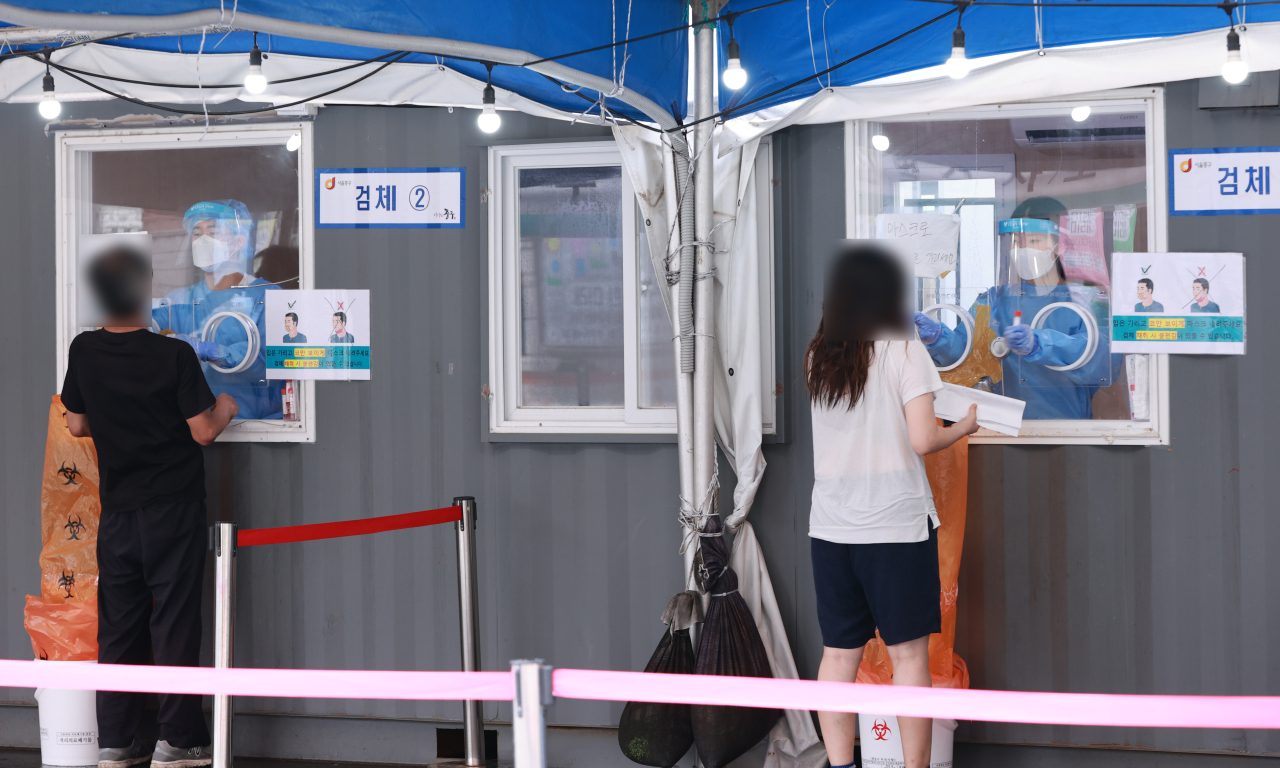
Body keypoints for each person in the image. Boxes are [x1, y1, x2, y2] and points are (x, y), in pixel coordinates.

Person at [61, 245, 238, 768]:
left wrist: (118, 415)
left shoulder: (84, 350)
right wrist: (225, 405)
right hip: (173, 509)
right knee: (175, 624)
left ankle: (116, 741)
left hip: (117, 512)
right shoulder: (173, 354)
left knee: (119, 626)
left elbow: (76, 423)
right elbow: (203, 431)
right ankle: (179, 740)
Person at [806, 244, 979, 768]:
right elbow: (924, 439)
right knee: (908, 657)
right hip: (895, 528)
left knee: (838, 655)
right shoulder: (903, 350)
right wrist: (965, 427)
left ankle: (839, 765)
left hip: (831, 529)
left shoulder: (821, 354)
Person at [912, 197, 1113, 420]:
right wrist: (939, 338)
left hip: (1067, 430)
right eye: (1017, 242)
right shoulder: (996, 299)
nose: (1024, 249)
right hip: (1002, 428)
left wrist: (1040, 343)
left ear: (1061, 244)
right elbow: (966, 352)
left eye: (1035, 240)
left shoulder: (1086, 300)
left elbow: (1103, 362)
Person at [153, 200, 282, 420]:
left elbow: (274, 365)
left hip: (255, 424)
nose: (202, 240)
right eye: (197, 233)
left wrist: (216, 352)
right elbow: (145, 327)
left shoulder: (268, 296)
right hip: (195, 423)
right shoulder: (180, 299)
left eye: (212, 232)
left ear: (238, 241)